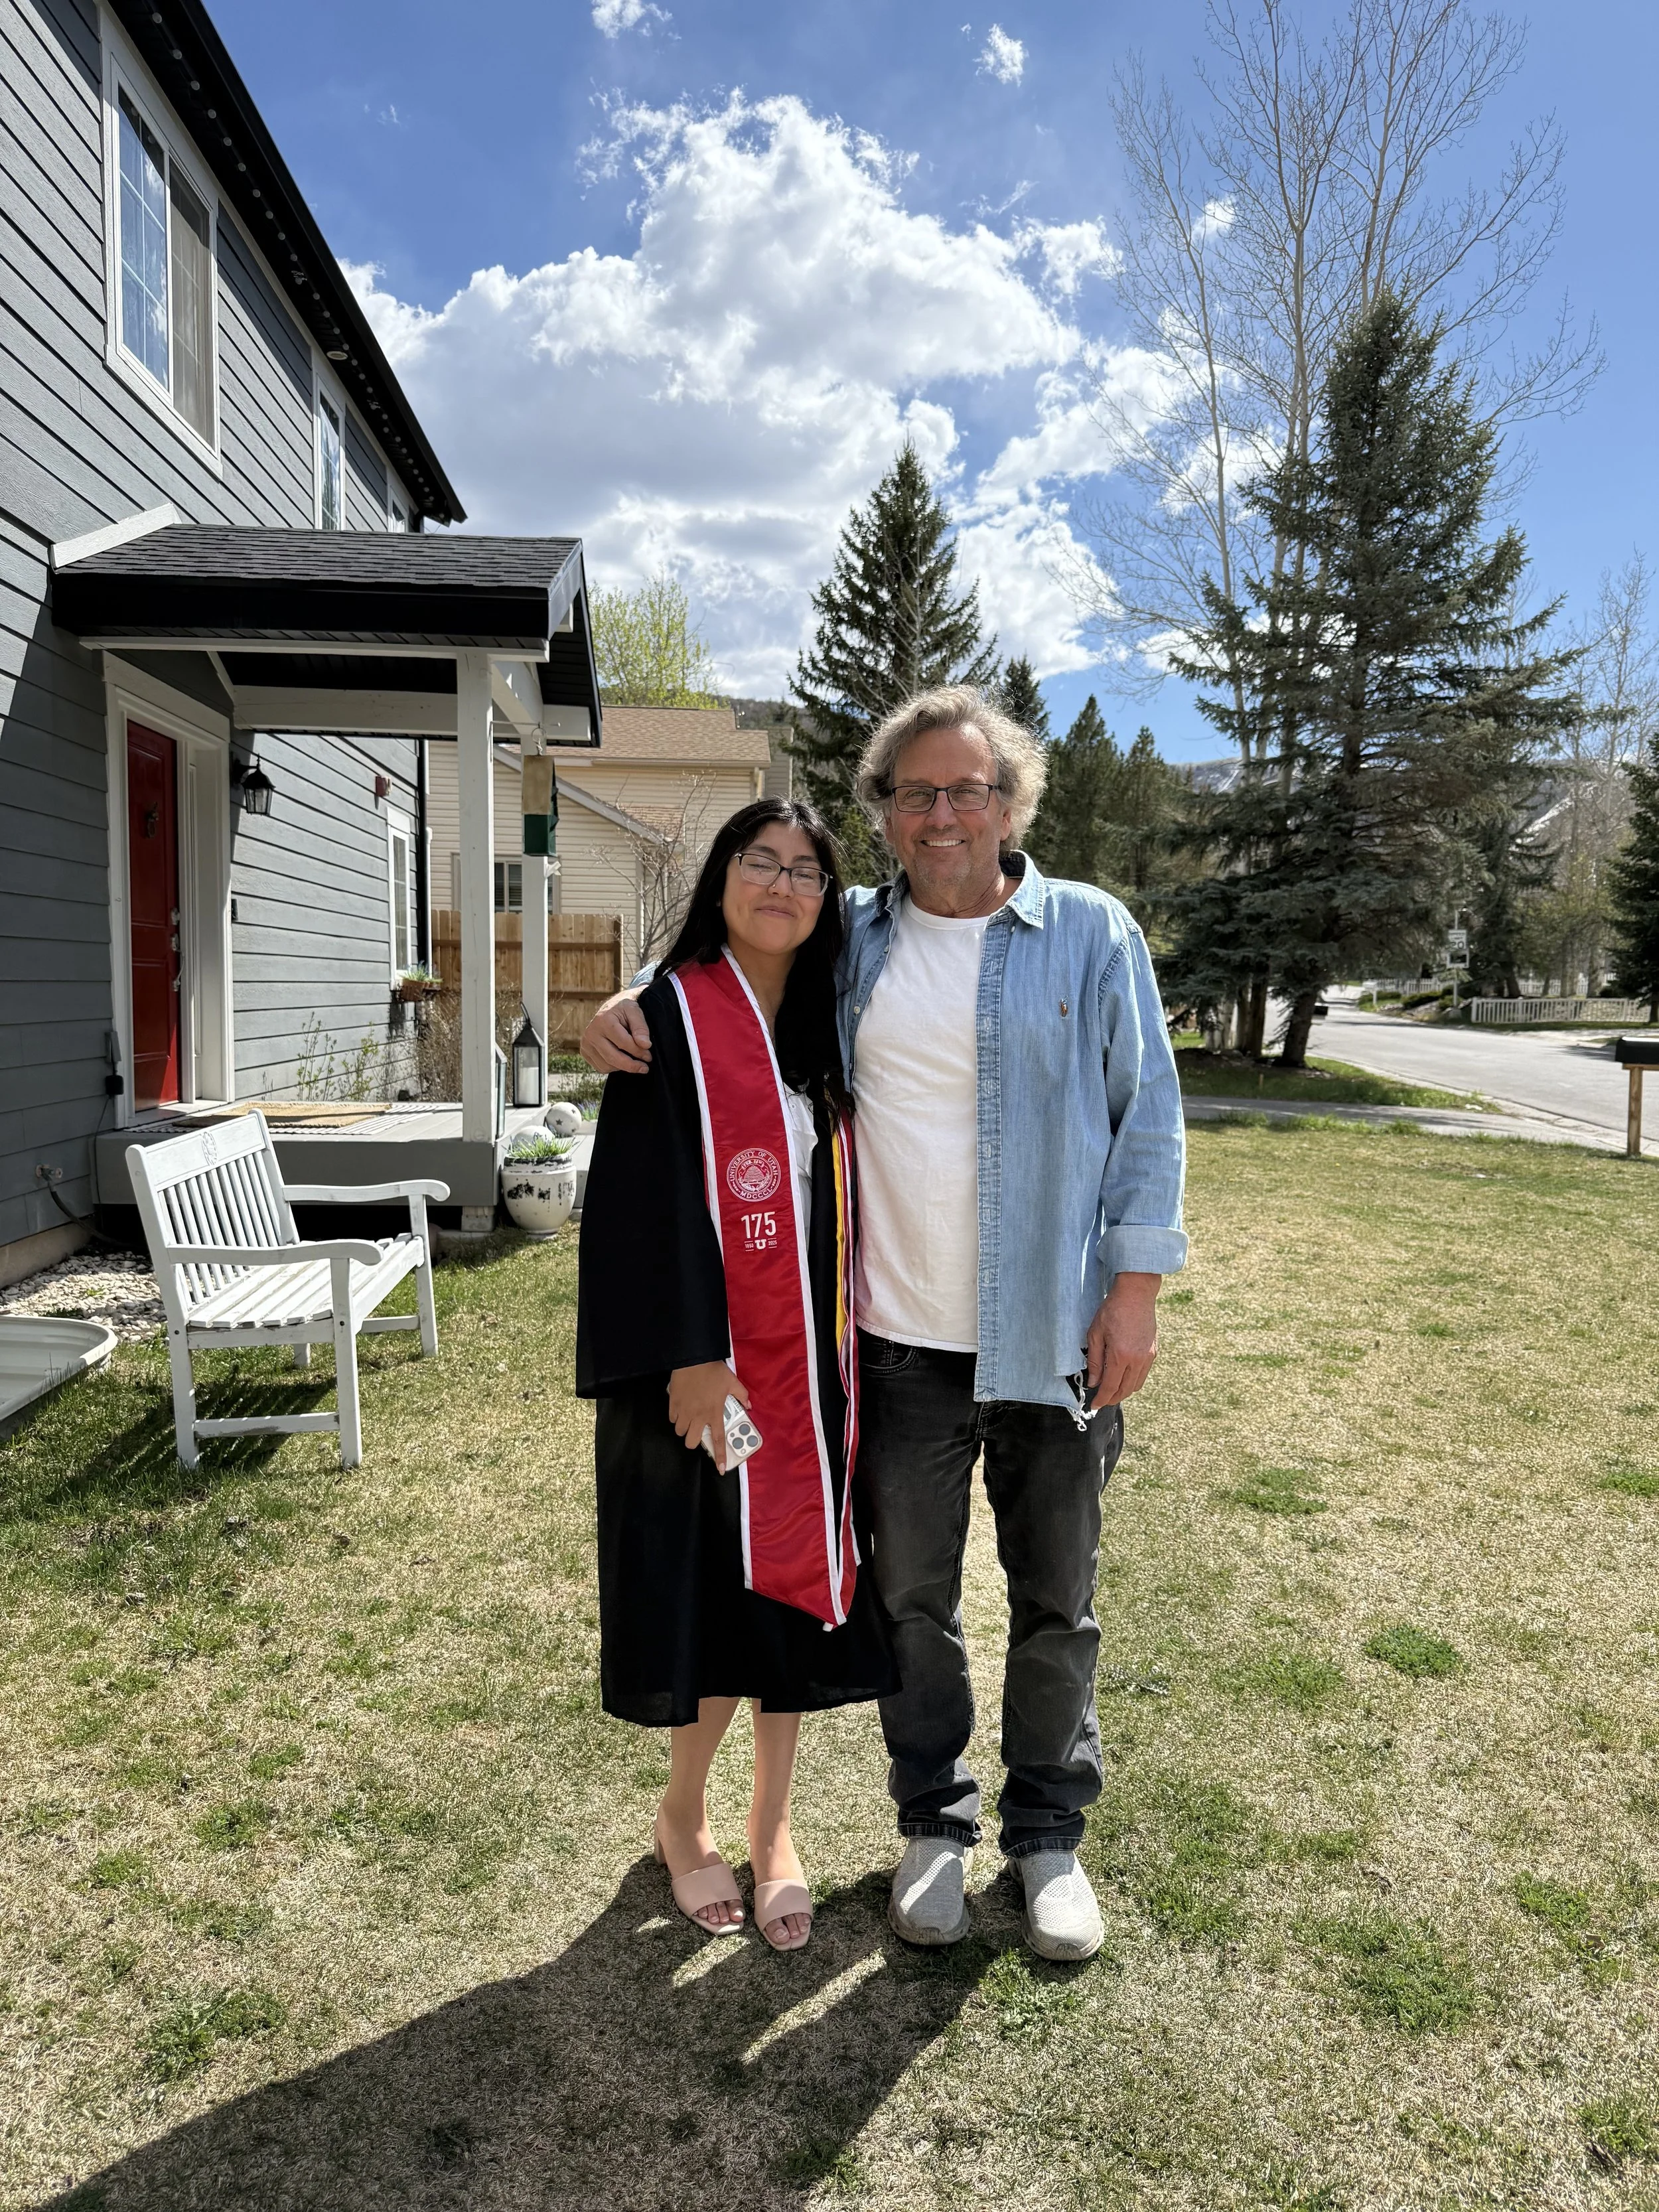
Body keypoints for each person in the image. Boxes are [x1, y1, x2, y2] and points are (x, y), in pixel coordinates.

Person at [582, 687, 1187, 1962]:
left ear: (1012, 802)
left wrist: (1133, 1292)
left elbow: (1151, 1122)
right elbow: (737, 956)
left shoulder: (1089, 932)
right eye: (916, 793)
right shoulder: (858, 932)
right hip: (896, 1348)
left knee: (1056, 1601)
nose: (942, 814)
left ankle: (1046, 1839)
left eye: (968, 789)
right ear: (889, 814)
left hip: (1053, 1340)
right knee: (912, 1605)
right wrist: (622, 1002)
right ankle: (934, 1825)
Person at [576, 798, 897, 1953]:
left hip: (813, 1371)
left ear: (830, 902)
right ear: (720, 880)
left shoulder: (827, 1025)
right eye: (759, 861)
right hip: (705, 1373)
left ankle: (776, 1827)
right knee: (711, 1592)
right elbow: (635, 1205)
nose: (782, 884)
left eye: (808, 870)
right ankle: (683, 1818)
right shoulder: (665, 1017)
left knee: (785, 1601)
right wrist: (693, 1355)